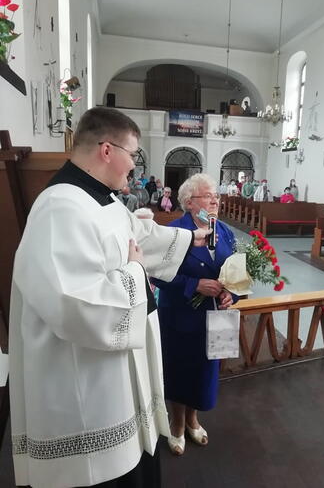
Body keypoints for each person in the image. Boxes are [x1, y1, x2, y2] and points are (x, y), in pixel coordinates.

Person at [8, 107, 211, 488]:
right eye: (132, 154)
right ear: (106, 150)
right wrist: (134, 273)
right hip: (85, 385)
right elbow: (73, 302)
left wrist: (190, 238)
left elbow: (139, 236)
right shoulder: (60, 207)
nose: (133, 165)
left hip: (118, 375)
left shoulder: (103, 198)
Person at [151, 174, 237, 457]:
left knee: (203, 372)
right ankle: (176, 424)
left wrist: (231, 294)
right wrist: (194, 284)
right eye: (208, 196)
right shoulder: (173, 232)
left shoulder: (225, 231)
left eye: (216, 196)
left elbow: (237, 272)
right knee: (180, 370)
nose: (215, 201)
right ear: (189, 203)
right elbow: (157, 275)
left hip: (215, 318)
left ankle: (193, 419)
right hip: (180, 315)